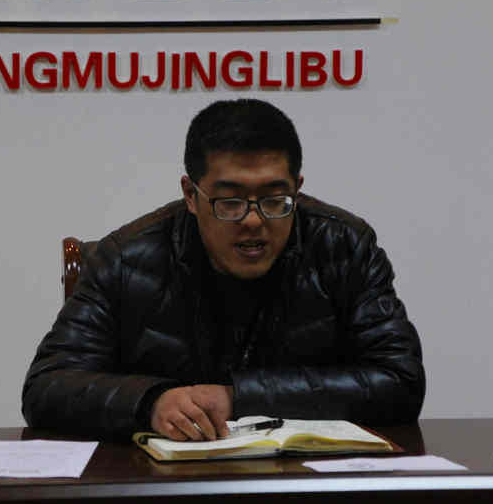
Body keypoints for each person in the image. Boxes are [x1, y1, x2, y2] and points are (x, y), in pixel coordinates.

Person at [22, 99, 424, 442]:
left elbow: (400, 381)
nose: (253, 220)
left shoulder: (345, 248)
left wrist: (237, 398)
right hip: (167, 486)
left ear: (297, 189)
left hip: (302, 484)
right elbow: (47, 387)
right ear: (190, 194)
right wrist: (150, 402)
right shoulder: (126, 260)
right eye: (230, 202)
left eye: (274, 199)